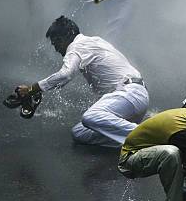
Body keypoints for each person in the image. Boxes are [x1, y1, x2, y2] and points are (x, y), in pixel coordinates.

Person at [16, 16, 149, 147]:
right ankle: (137, 140)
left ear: (68, 35)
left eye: (56, 41)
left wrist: (32, 89)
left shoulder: (76, 46)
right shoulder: (94, 40)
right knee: (79, 133)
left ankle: (150, 136)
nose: (56, 48)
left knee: (90, 117)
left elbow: (65, 74)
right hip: (131, 99)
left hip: (130, 94)